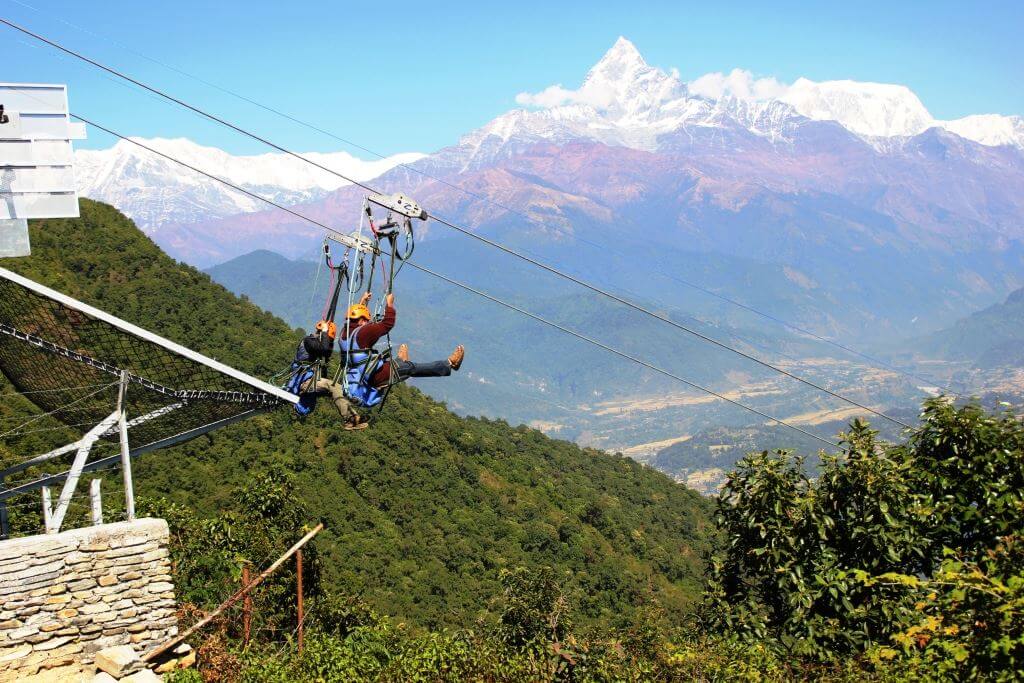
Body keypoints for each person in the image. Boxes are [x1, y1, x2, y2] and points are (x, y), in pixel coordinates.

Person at [339, 291, 464, 409]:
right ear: (361, 321)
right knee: (410, 368)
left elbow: (357, 321)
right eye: (366, 320)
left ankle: (400, 360)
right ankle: (449, 364)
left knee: (397, 363)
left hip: (362, 376)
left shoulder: (344, 334)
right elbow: (387, 324)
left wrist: (363, 302)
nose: (368, 322)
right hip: (376, 377)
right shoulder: (364, 332)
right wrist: (390, 304)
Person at [289, 318, 367, 430]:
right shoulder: (308, 342)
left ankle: (353, 417)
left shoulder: (317, 349)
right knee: (334, 386)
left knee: (341, 388)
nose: (329, 343)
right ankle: (350, 418)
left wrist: (362, 306)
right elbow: (324, 348)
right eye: (328, 339)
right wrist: (325, 331)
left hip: (311, 383)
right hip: (303, 383)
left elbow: (348, 333)